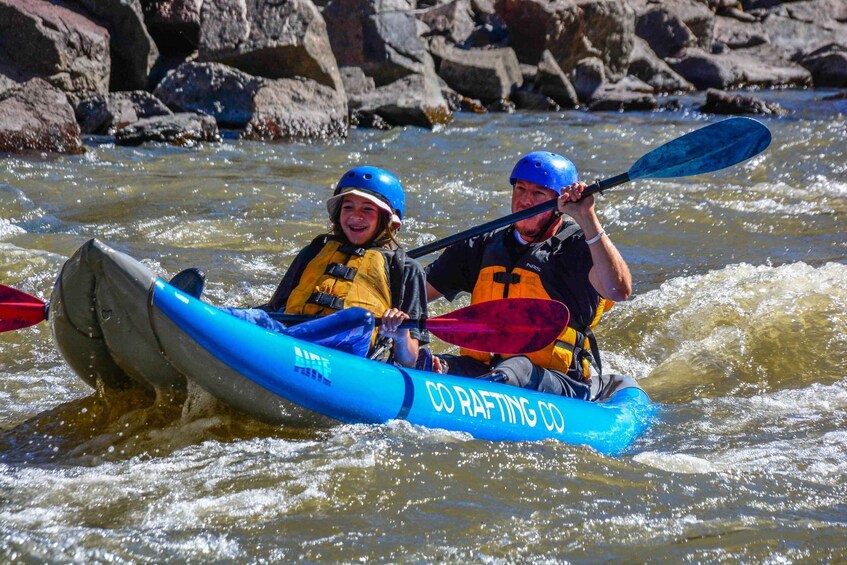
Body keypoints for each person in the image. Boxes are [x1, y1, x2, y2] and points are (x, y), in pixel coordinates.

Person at [424, 151, 632, 398]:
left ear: (558, 204)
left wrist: (587, 216)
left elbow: (619, 290)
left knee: (517, 368)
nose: (525, 201)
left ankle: (486, 389)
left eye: (538, 194)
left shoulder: (578, 247)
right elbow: (417, 291)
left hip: (557, 381)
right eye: (520, 189)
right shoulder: (481, 245)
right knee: (428, 362)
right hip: (483, 369)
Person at [193, 166, 429, 368]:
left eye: (368, 209)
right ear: (338, 214)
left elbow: (410, 359)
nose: (355, 216)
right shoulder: (314, 252)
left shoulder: (406, 269)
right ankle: (193, 314)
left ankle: (275, 345)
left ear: (388, 221)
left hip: (349, 352)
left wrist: (401, 334)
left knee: (360, 319)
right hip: (291, 334)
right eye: (348, 207)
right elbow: (276, 308)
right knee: (255, 317)